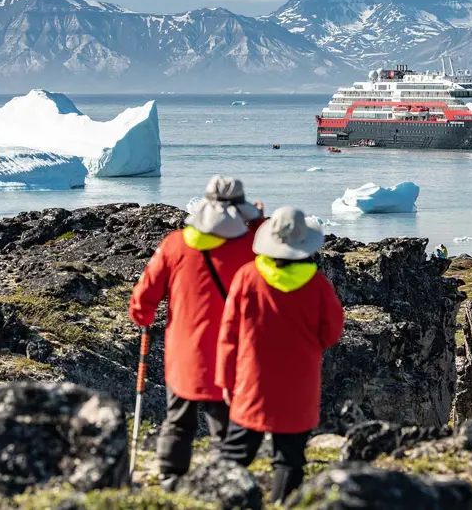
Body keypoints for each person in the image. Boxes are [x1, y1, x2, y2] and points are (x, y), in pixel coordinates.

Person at [130, 176, 263, 490]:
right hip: (231, 356)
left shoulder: (175, 244)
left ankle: (169, 478)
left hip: (184, 353)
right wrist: (257, 222)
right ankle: (229, 481)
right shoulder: (249, 247)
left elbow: (144, 297)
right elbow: (273, 253)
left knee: (178, 420)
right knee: (228, 425)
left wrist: (143, 315)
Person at [216, 206, 345, 504]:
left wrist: (225, 379)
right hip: (299, 384)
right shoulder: (318, 286)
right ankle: (281, 502)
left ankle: (221, 500)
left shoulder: (247, 277)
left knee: (236, 451)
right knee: (290, 457)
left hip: (252, 380)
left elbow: (229, 334)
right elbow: (331, 334)